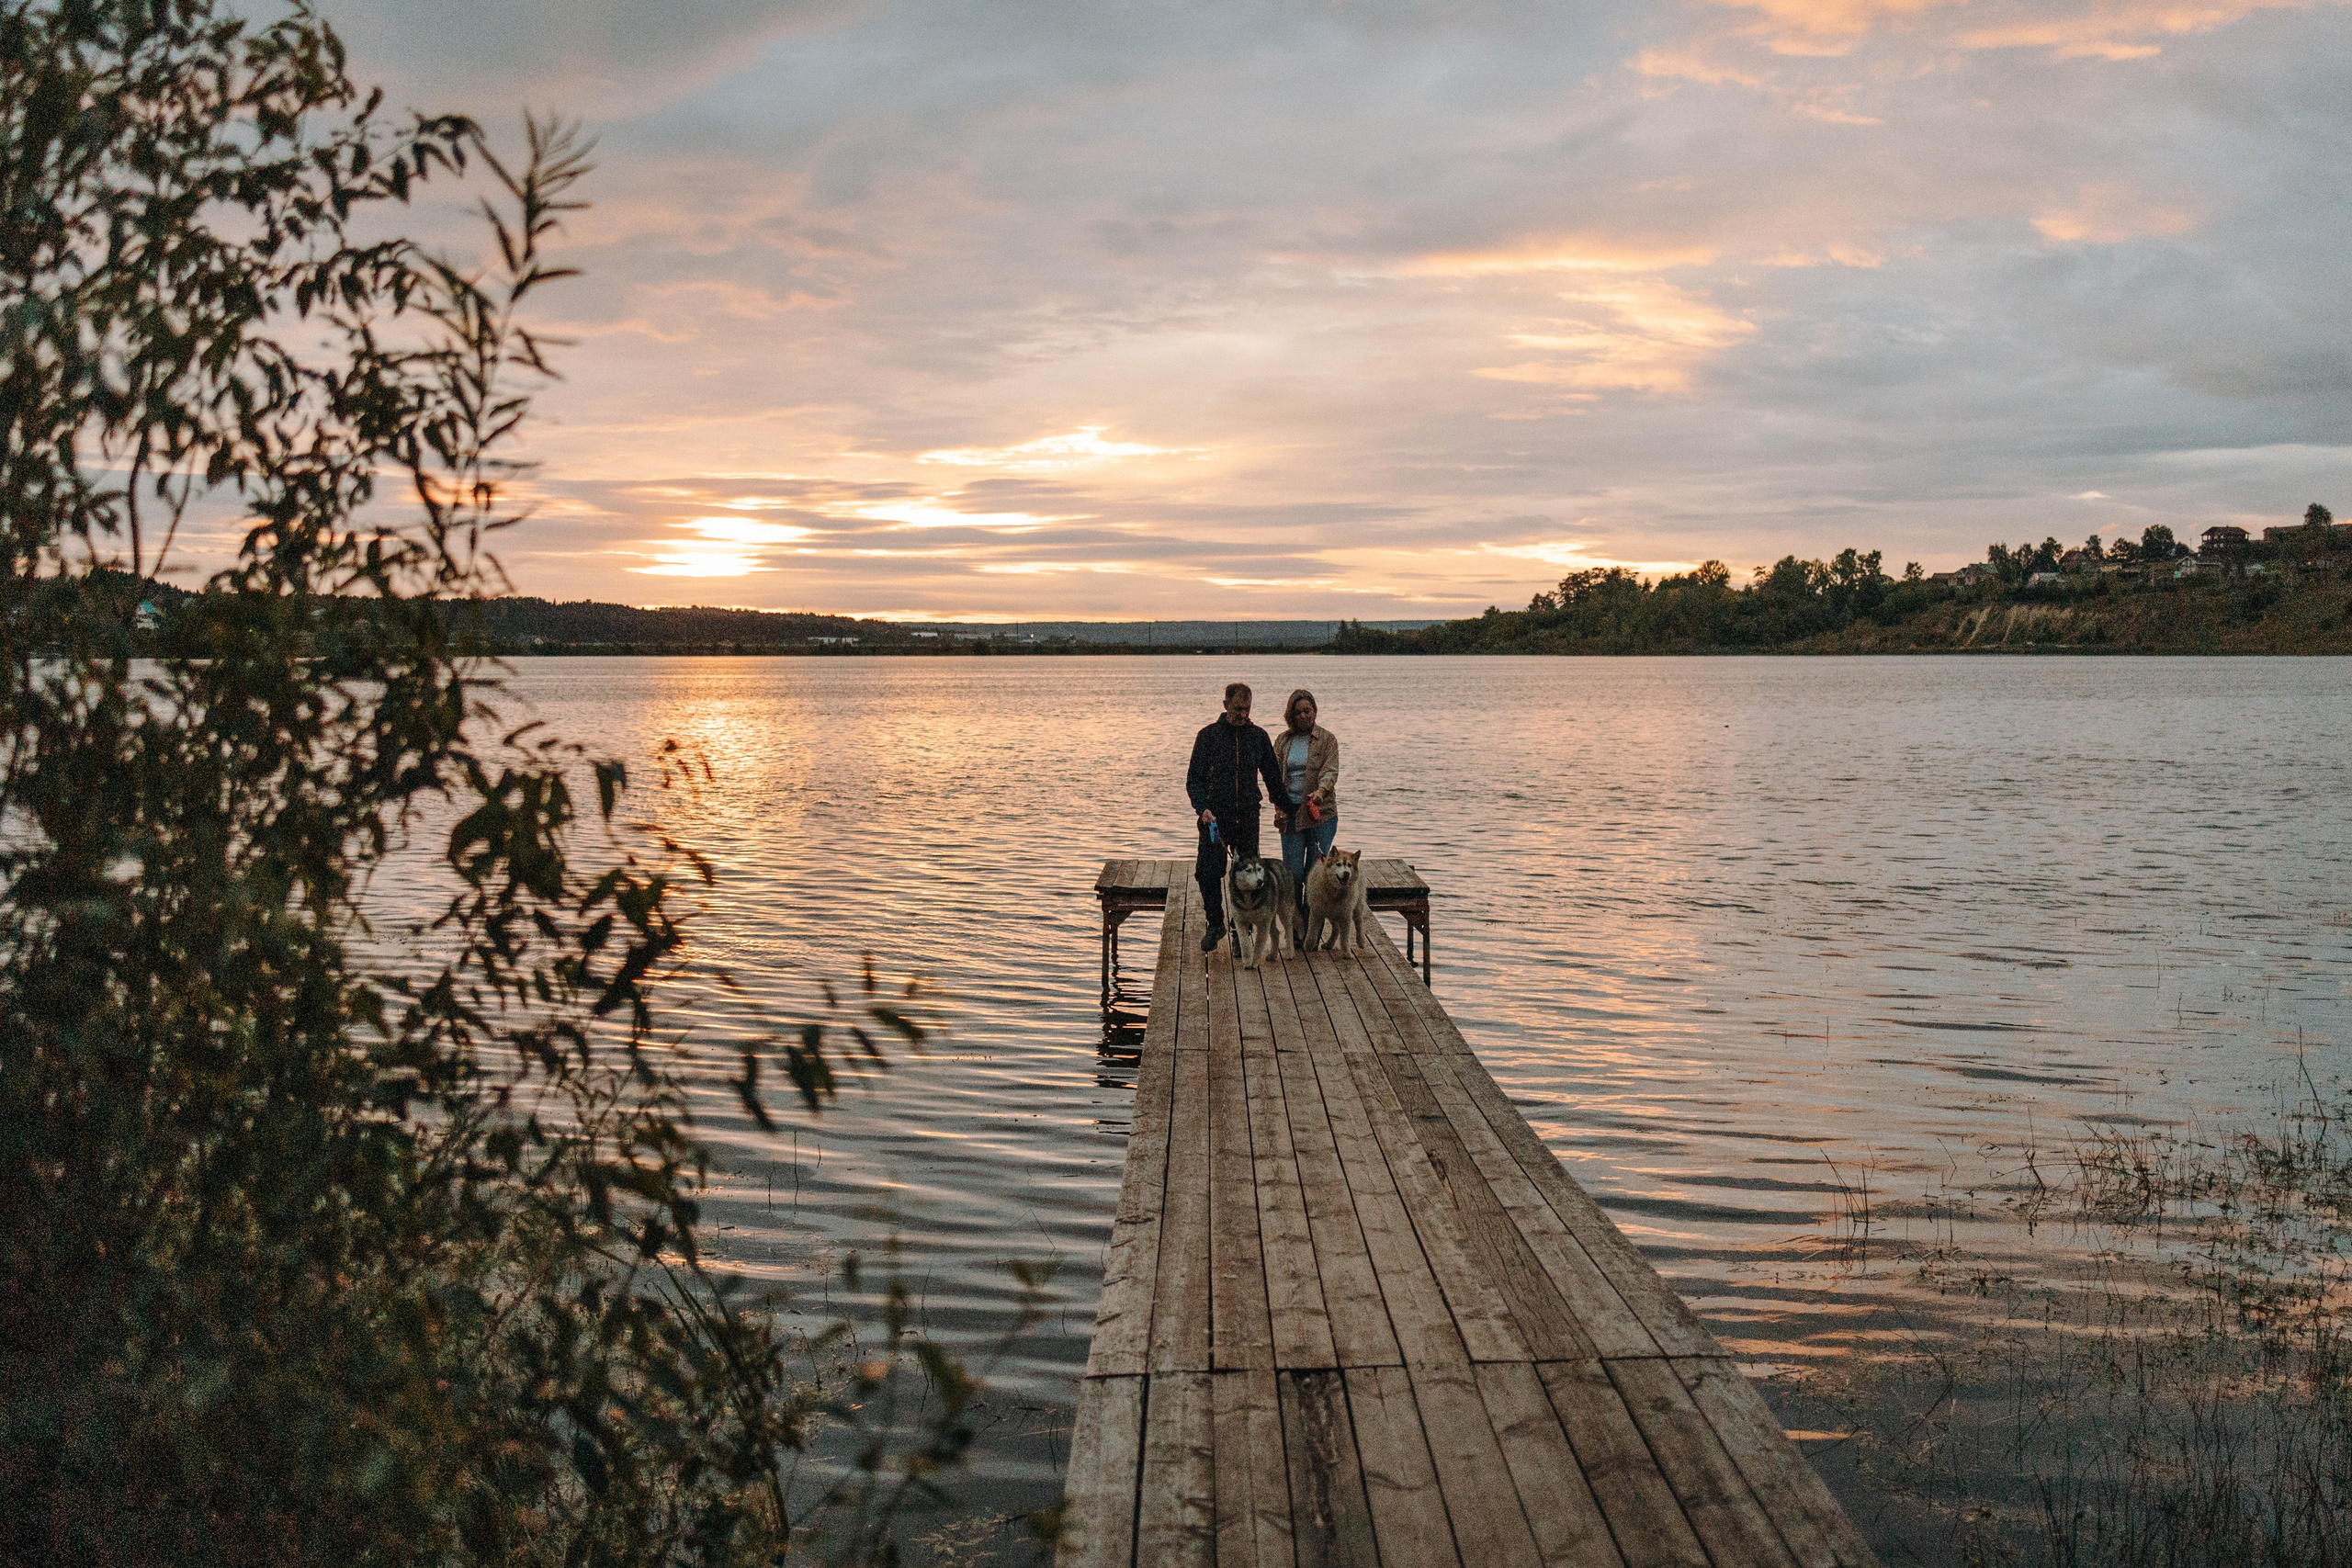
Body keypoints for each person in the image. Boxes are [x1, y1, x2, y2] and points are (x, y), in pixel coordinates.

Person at [1184, 682, 1296, 953]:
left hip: (1247, 815)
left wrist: (1291, 809)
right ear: (1225, 705)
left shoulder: (1258, 737)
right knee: (1207, 873)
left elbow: (1272, 778)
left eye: (1246, 709)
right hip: (1215, 817)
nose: (1242, 714)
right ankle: (1215, 924)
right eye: (1237, 708)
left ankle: (1240, 932)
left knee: (1248, 876)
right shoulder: (1208, 736)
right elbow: (1193, 781)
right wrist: (1202, 809)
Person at [1271, 688, 1339, 914]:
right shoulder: (1282, 740)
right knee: (1293, 874)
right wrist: (1278, 807)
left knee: (1313, 874)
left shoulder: (1327, 739)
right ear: (1291, 715)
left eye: (1307, 710)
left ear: (1315, 711)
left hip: (1321, 815)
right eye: (1298, 712)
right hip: (1290, 815)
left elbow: (1330, 771)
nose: (1304, 716)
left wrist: (1320, 792)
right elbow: (1273, 776)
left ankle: (1312, 926)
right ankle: (1295, 923)